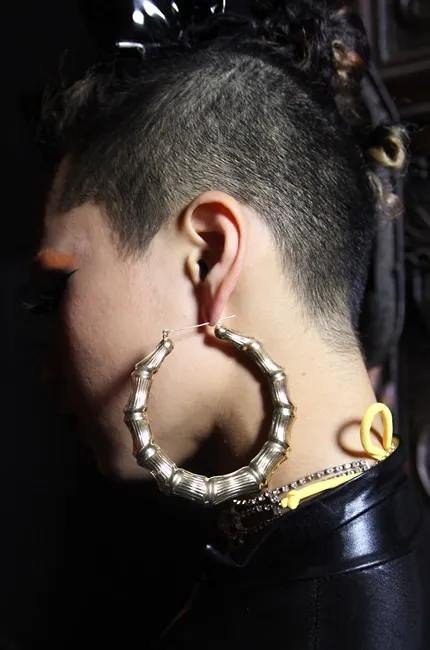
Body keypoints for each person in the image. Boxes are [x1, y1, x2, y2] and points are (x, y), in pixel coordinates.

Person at [33, 1, 430, 647]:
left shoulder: (322, 616)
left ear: (210, 258)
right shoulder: (335, 531)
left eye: (57, 291)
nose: (44, 365)